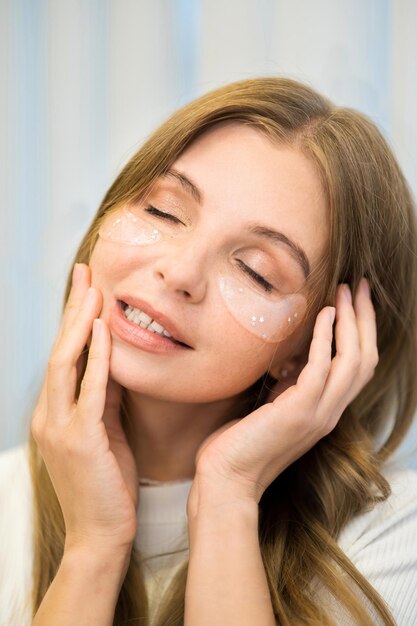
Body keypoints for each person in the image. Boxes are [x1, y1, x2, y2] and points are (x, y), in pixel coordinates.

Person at [0, 76, 416, 626]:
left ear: (319, 346)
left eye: (256, 271)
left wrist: (228, 498)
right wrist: (93, 548)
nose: (180, 272)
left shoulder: (390, 536)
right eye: (163, 212)